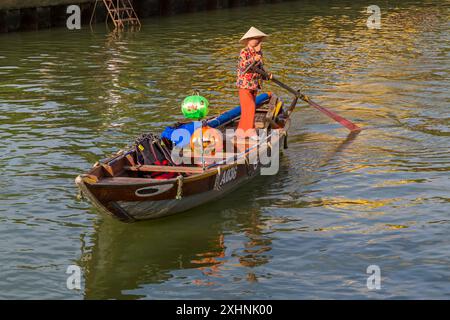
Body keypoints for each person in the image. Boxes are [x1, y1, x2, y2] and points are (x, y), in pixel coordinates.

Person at [236, 26, 271, 139]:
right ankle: (250, 130)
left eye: (258, 39)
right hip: (244, 84)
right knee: (250, 107)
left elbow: (260, 67)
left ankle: (240, 131)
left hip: (255, 84)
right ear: (248, 40)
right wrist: (253, 59)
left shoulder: (259, 53)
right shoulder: (244, 51)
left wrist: (267, 75)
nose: (257, 41)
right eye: (255, 38)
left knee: (248, 108)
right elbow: (242, 66)